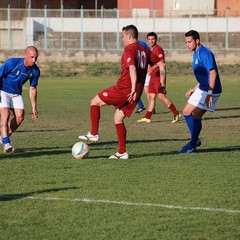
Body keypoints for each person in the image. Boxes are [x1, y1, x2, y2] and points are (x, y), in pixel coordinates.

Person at [79, 25, 163, 159]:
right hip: (136, 93)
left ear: (129, 36)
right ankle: (122, 152)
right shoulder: (145, 50)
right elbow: (161, 63)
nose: (122, 39)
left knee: (94, 102)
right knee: (118, 119)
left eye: (123, 36)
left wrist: (132, 88)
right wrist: (162, 83)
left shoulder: (129, 48)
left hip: (125, 89)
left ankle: (94, 133)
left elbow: (132, 69)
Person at [178, 30, 222, 153]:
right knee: (186, 112)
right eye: (186, 42)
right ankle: (195, 139)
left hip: (211, 90)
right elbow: (204, 76)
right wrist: (194, 89)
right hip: (202, 88)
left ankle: (192, 144)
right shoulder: (196, 53)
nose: (187, 44)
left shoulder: (205, 53)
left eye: (189, 42)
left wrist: (209, 93)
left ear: (197, 41)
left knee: (196, 114)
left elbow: (212, 73)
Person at [0, 46, 40, 153]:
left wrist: (34, 107)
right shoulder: (12, 63)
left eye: (36, 58)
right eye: (31, 57)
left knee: (20, 117)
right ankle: (6, 143)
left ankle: (3, 136)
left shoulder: (35, 71)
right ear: (25, 55)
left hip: (16, 93)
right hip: (3, 91)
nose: (34, 60)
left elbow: (33, 89)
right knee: (6, 115)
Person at [137, 32, 181, 124]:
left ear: (156, 39)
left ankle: (176, 113)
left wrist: (161, 80)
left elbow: (162, 63)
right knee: (151, 96)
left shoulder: (158, 49)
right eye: (149, 39)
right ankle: (147, 117)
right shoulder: (150, 49)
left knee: (161, 96)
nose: (151, 41)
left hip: (158, 77)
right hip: (152, 77)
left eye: (153, 39)